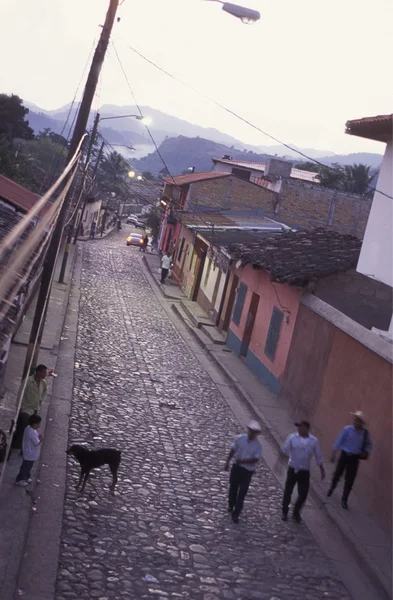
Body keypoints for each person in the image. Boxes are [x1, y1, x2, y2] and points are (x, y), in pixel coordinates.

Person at [281, 421, 325, 523]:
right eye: (298, 427)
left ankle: (296, 512)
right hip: (293, 469)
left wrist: (322, 470)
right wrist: (279, 462)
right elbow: (284, 449)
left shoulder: (314, 441)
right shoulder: (292, 437)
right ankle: (284, 512)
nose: (298, 428)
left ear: (306, 428)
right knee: (288, 491)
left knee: (303, 494)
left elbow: (318, 456)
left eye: (300, 427)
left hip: (304, 471)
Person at [327, 411, 372, 510]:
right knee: (337, 473)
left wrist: (366, 451)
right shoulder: (347, 429)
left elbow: (369, 445)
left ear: (361, 422)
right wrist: (334, 453)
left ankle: (344, 499)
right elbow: (339, 440)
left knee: (350, 479)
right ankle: (332, 487)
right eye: (355, 419)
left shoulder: (365, 434)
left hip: (354, 458)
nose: (355, 421)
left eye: (357, 420)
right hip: (344, 455)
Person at [224, 420, 263, 524]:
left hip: (247, 471)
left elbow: (255, 459)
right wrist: (227, 462)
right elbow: (233, 449)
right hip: (236, 467)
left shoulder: (258, 446)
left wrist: (243, 461)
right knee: (233, 487)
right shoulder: (240, 439)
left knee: (242, 492)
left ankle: (236, 514)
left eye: (254, 432)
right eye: (251, 430)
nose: (252, 433)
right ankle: (231, 504)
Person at [12, 365, 47, 450]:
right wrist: (19, 409)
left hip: (35, 409)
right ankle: (20, 446)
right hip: (26, 409)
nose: (45, 374)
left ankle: (23, 446)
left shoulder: (43, 383)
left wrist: (41, 400)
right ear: (38, 372)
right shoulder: (27, 381)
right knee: (25, 428)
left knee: (30, 429)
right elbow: (20, 394)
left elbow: (44, 391)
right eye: (44, 372)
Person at [15, 414, 43, 487]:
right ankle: (20, 479)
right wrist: (41, 439)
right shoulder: (32, 432)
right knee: (26, 467)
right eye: (39, 423)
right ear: (34, 424)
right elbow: (36, 443)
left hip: (28, 452)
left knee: (28, 466)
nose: (39, 425)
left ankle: (26, 477)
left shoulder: (28, 428)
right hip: (30, 453)